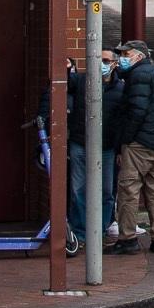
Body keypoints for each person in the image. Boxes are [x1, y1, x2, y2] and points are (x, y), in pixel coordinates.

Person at [107, 37, 154, 248]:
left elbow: (135, 112)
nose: (121, 59)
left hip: (139, 142)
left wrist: (126, 140)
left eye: (125, 55)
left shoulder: (138, 76)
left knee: (128, 189)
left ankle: (127, 237)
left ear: (139, 56)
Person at [62, 49, 122, 253]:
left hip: (106, 148)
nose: (101, 63)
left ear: (114, 64)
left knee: (106, 192)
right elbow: (59, 86)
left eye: (106, 60)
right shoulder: (79, 81)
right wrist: (65, 69)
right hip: (80, 143)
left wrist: (120, 147)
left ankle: (101, 231)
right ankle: (80, 233)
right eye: (98, 59)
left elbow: (122, 121)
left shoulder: (120, 89)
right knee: (78, 190)